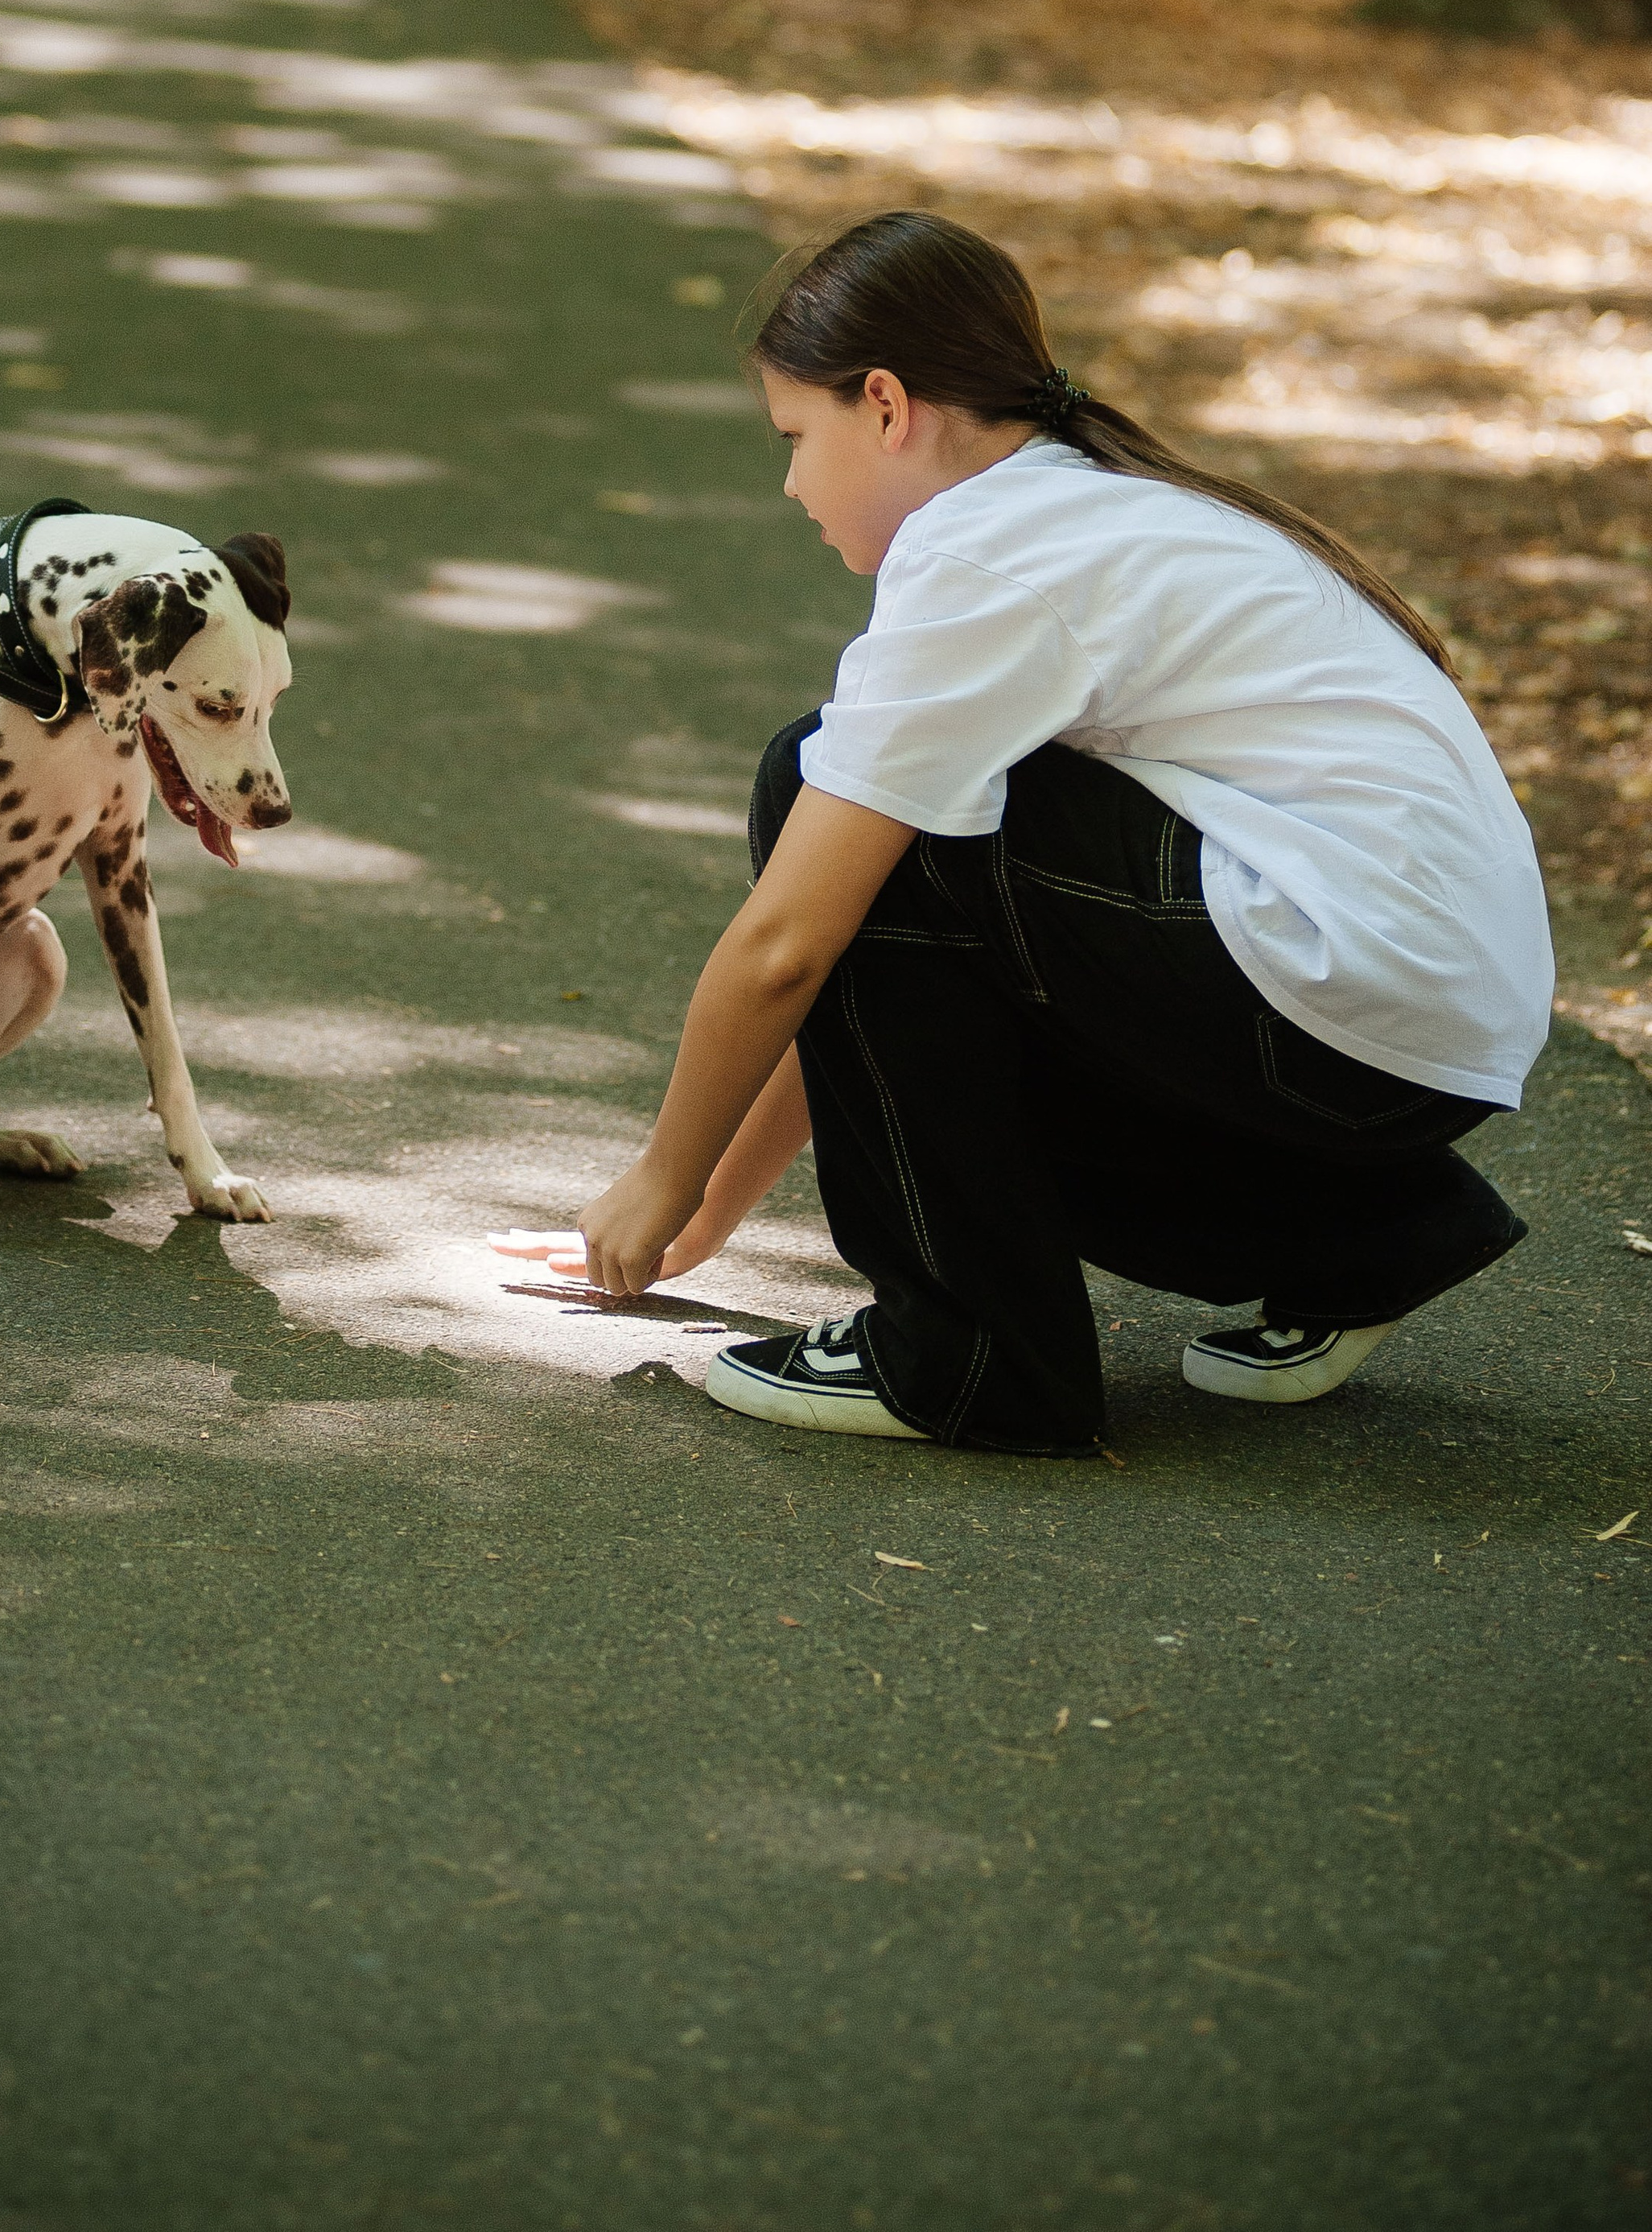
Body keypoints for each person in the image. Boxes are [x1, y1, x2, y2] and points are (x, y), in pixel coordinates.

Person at [497, 211, 1551, 1457]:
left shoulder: (988, 551)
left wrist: (660, 1182)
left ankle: (970, 1359)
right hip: (1416, 1033)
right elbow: (860, 992)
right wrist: (703, 1218)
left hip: (1340, 994)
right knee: (930, 916)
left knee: (811, 774)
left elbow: (792, 942)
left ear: (884, 404)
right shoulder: (1079, 500)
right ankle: (1373, 1233)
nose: (788, 483)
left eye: (795, 436)